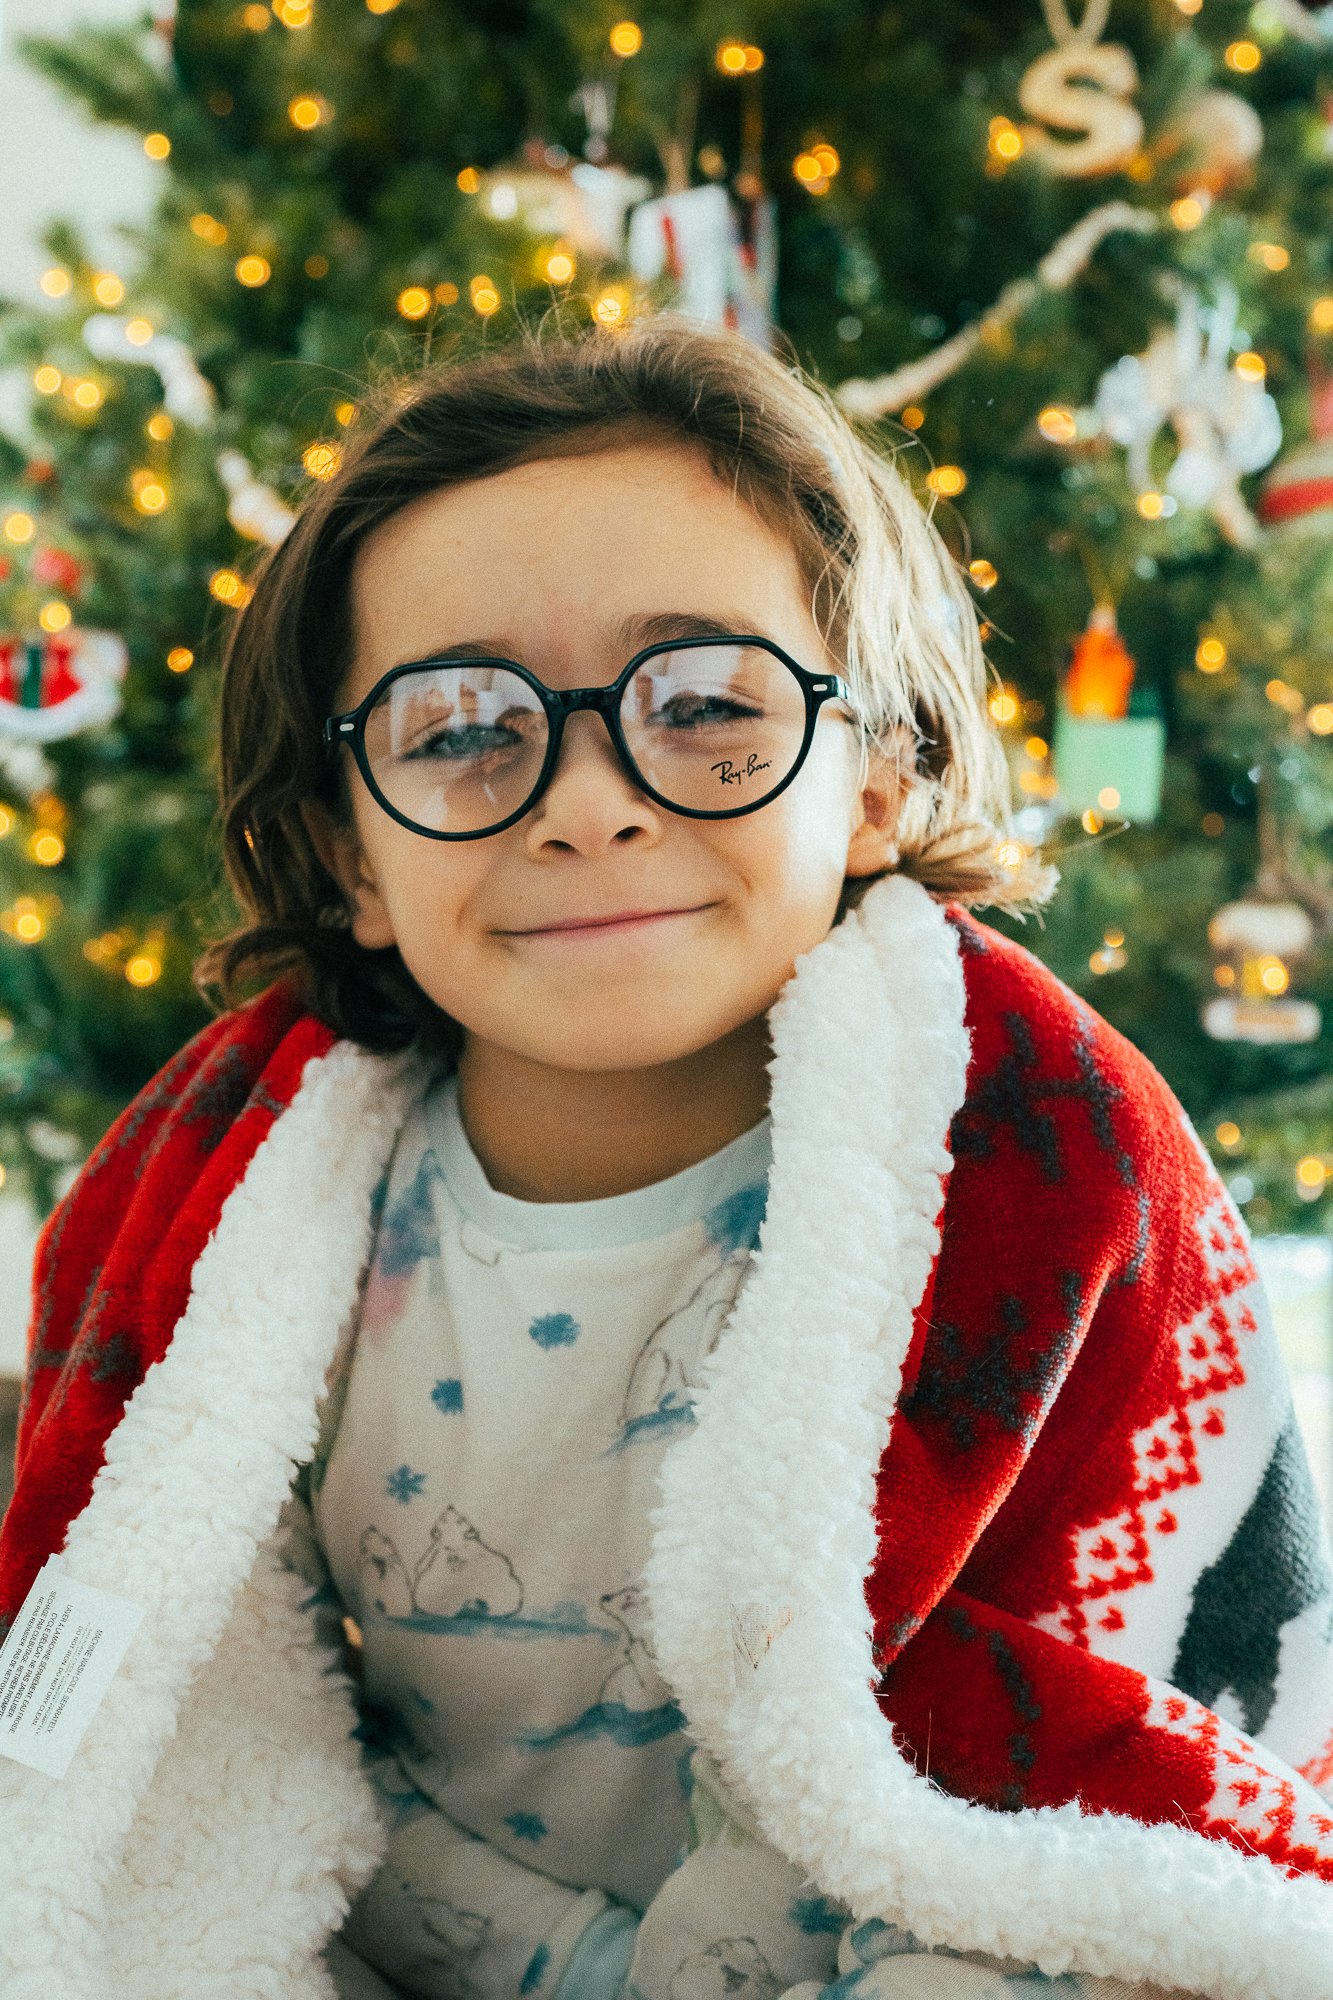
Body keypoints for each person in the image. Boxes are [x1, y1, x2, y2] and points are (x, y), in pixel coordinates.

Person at [1, 314, 1332, 2000]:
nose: (587, 802)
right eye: (462, 726)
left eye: (703, 702)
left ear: (872, 776)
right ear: (349, 854)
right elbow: (183, 1709)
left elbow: (1140, 1711)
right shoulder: (215, 1225)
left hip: (942, 1931)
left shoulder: (1049, 1173)